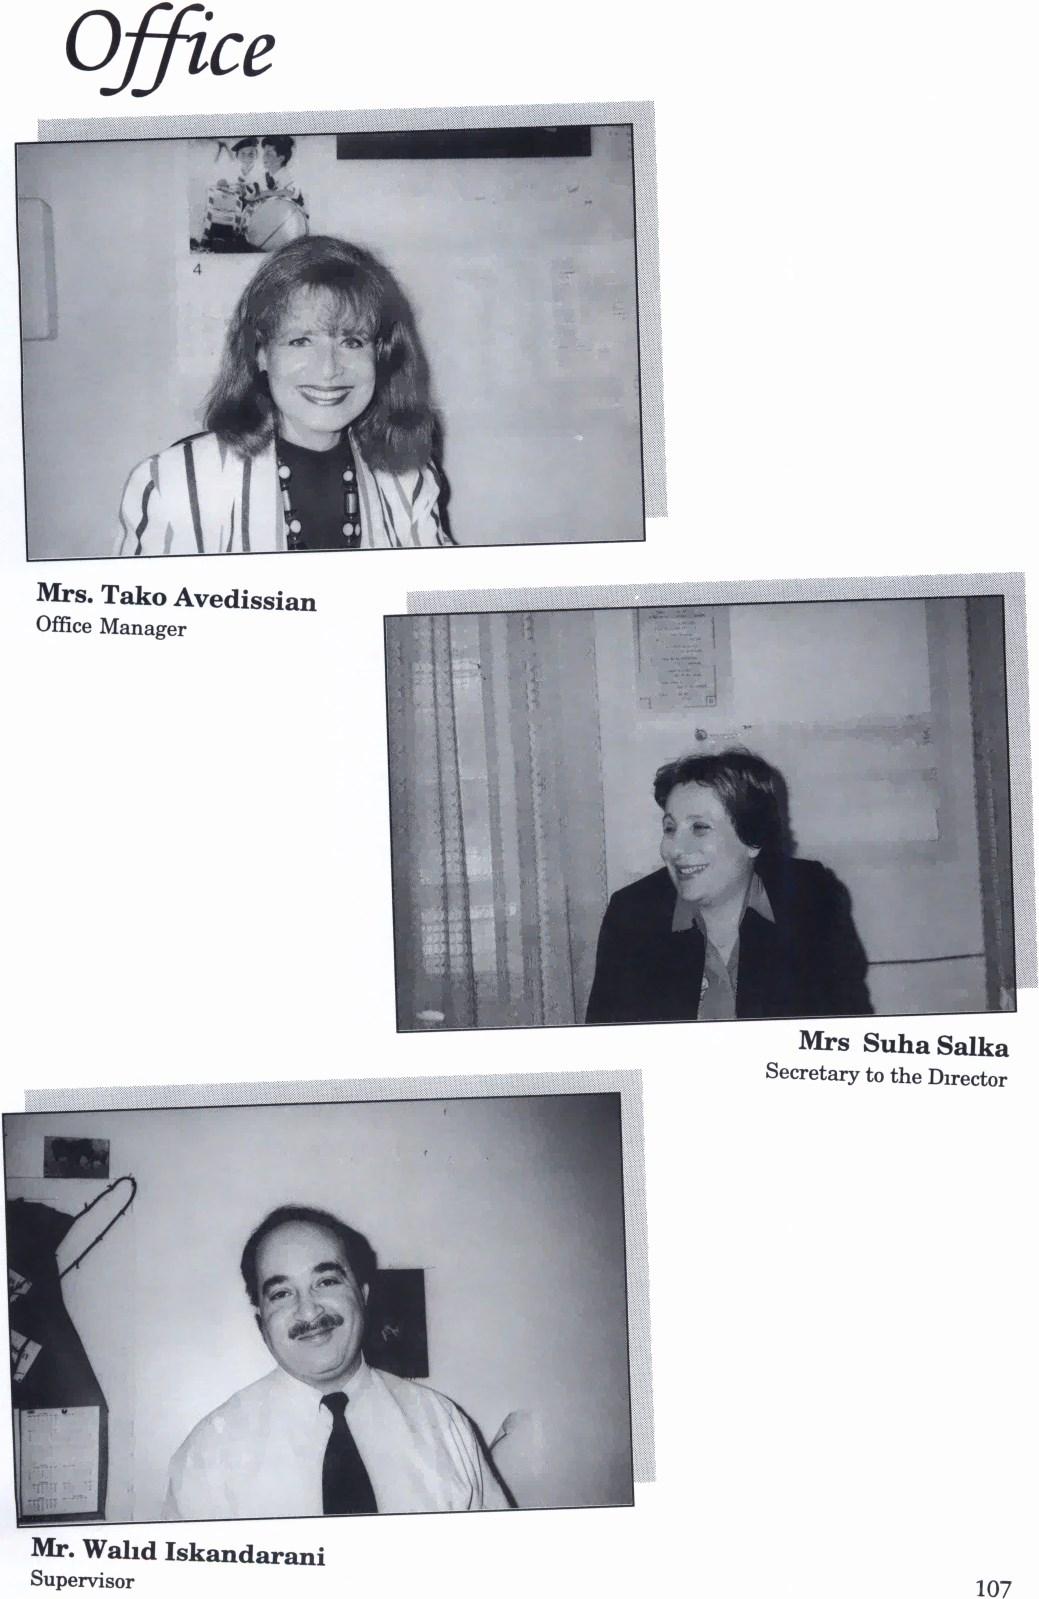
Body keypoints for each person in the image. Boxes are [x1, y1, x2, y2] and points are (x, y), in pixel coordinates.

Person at [165, 1206, 510, 1519]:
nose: (308, 1311)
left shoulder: (443, 1423)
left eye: (326, 1281)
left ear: (363, 1294)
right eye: (281, 1293)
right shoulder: (209, 1453)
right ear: (261, 1323)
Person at [116, 236, 453, 554]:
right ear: (260, 353)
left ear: (380, 356)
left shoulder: (410, 478)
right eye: (300, 341)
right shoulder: (174, 483)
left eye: (352, 342)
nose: (328, 369)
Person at [585, 749, 872, 1024]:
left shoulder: (814, 899)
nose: (675, 849)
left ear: (752, 839)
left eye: (699, 828)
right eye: (670, 828)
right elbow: (608, 1045)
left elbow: (845, 1032)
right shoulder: (633, 915)